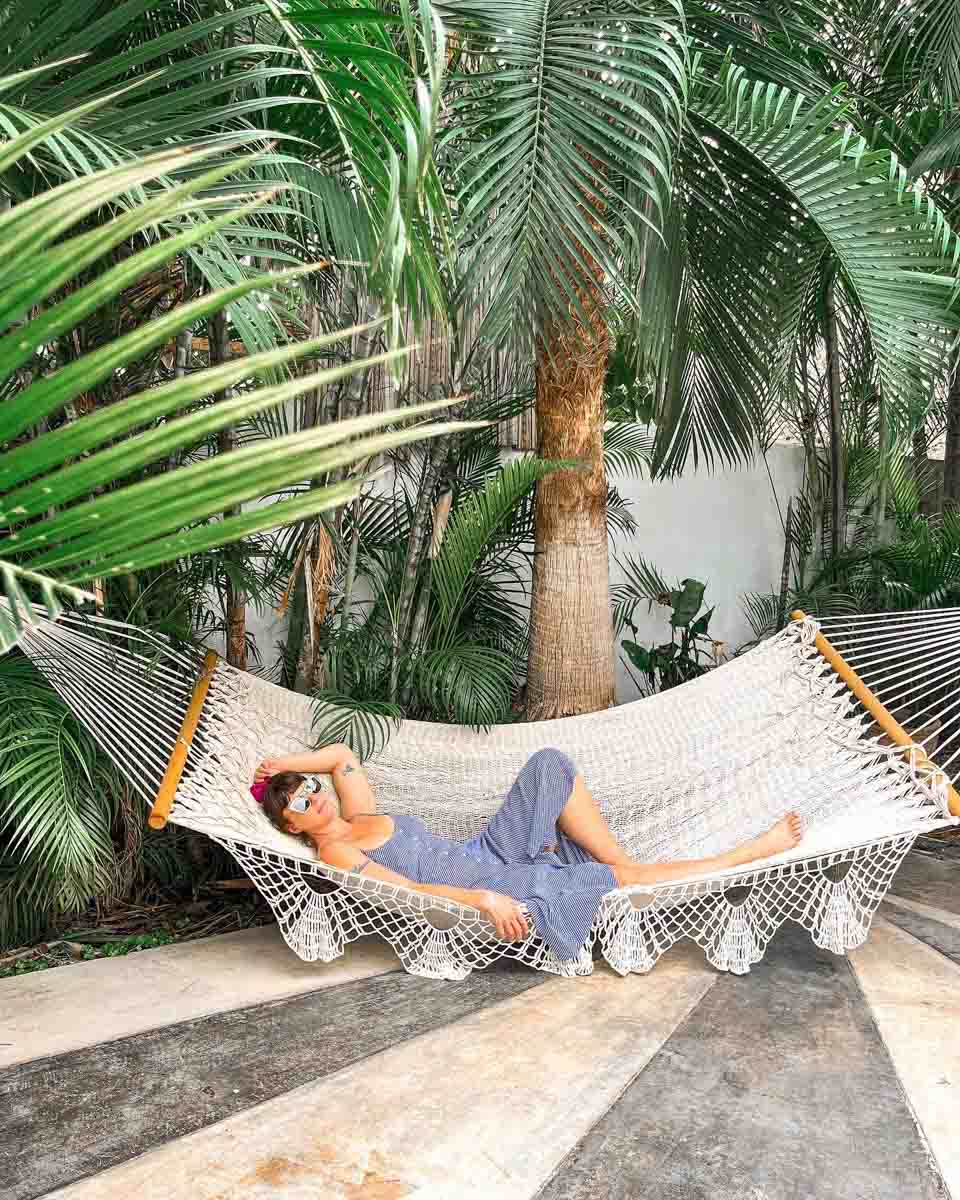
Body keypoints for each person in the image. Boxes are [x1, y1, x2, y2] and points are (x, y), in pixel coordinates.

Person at [251, 746, 803, 962]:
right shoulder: (338, 853)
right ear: (290, 826)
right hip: (479, 879)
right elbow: (413, 893)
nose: (312, 796)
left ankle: (616, 860)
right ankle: (750, 852)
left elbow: (342, 756)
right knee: (616, 877)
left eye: (310, 787)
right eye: (297, 802)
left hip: (483, 849)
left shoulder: (357, 814)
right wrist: (485, 897)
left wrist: (281, 769)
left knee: (549, 765)